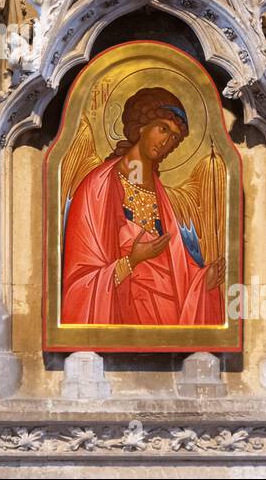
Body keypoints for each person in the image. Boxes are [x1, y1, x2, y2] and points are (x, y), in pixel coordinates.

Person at [61, 87, 225, 326]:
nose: (167, 141)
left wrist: (203, 280)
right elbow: (80, 277)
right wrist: (132, 261)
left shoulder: (162, 195)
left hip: (165, 314)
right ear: (141, 126)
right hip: (119, 307)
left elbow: (177, 266)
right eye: (163, 129)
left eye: (175, 138)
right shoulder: (97, 187)